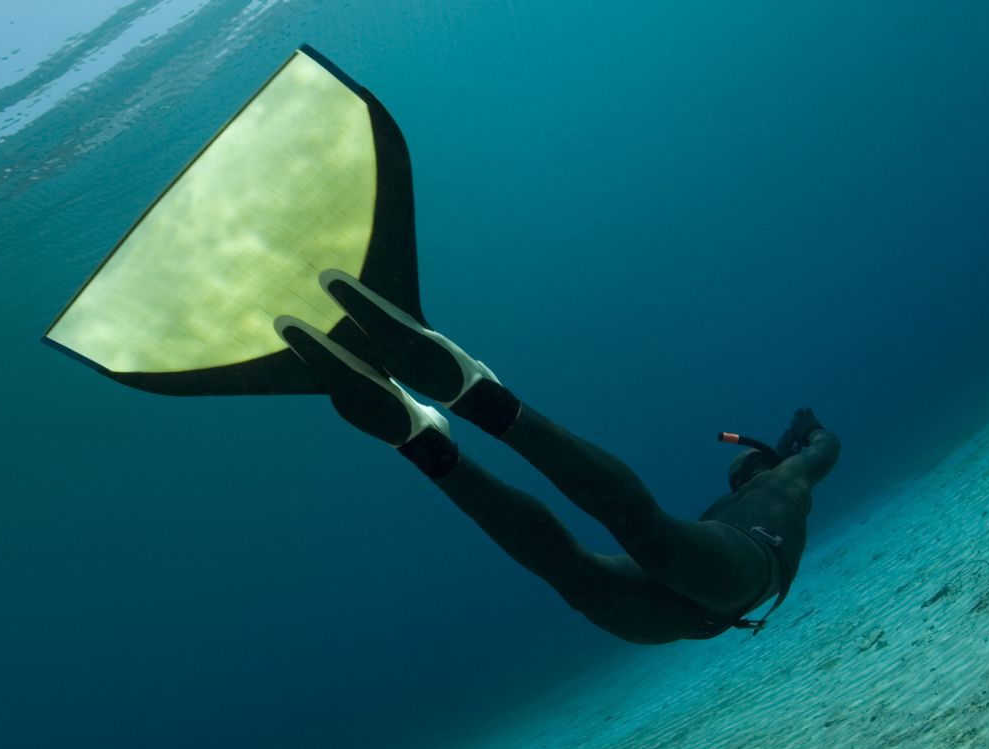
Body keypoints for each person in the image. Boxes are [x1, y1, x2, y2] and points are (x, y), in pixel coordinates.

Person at [276, 271, 840, 644]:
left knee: (588, 571)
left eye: (743, 469)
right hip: (725, 591)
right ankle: (456, 421)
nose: (739, 473)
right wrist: (805, 433)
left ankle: (445, 428)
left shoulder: (783, 483)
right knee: (631, 548)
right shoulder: (758, 503)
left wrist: (808, 431)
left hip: (702, 610)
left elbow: (824, 451)